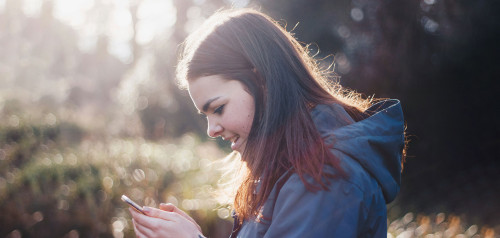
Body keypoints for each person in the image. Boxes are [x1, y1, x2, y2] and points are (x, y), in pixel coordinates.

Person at [128, 8, 406, 238]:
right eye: (207, 116)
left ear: (261, 81)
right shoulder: (286, 168)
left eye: (219, 109)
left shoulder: (326, 176)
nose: (212, 130)